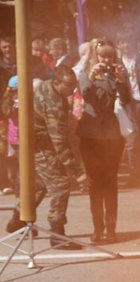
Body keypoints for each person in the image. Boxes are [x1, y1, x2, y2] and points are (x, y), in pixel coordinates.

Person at [77, 39, 130, 244]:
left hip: (111, 136)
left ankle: (111, 229)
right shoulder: (85, 73)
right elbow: (85, 94)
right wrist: (91, 76)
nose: (106, 60)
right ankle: (97, 229)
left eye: (110, 56)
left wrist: (122, 80)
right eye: (102, 56)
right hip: (90, 134)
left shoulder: (116, 74)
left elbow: (125, 100)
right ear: (95, 56)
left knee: (110, 183)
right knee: (95, 184)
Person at [32, 66, 87, 248]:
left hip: (38, 143)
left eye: (74, 84)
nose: (72, 89)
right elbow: (59, 141)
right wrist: (77, 172)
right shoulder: (54, 102)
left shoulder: (47, 86)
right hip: (41, 146)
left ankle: (18, 218)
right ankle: (57, 235)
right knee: (61, 185)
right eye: (68, 85)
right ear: (57, 82)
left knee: (41, 184)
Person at [116, 30, 140, 188]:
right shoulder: (117, 63)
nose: (126, 45)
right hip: (128, 104)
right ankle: (135, 176)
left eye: (129, 41)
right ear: (119, 45)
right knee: (132, 140)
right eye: (123, 42)